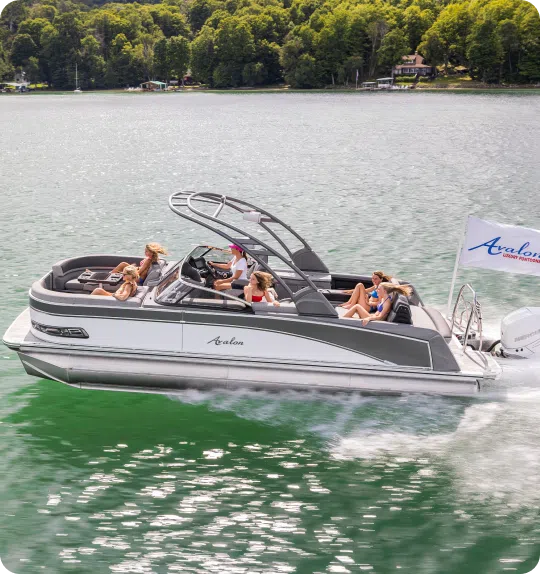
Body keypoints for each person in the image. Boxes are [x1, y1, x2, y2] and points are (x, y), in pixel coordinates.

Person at [341, 282, 412, 325]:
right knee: (357, 308)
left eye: (379, 289)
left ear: (384, 291)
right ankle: (346, 319)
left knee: (357, 306)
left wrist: (369, 318)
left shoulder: (387, 303)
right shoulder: (384, 298)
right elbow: (378, 311)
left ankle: (342, 321)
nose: (377, 290)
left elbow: (380, 317)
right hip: (373, 316)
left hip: (377, 322)